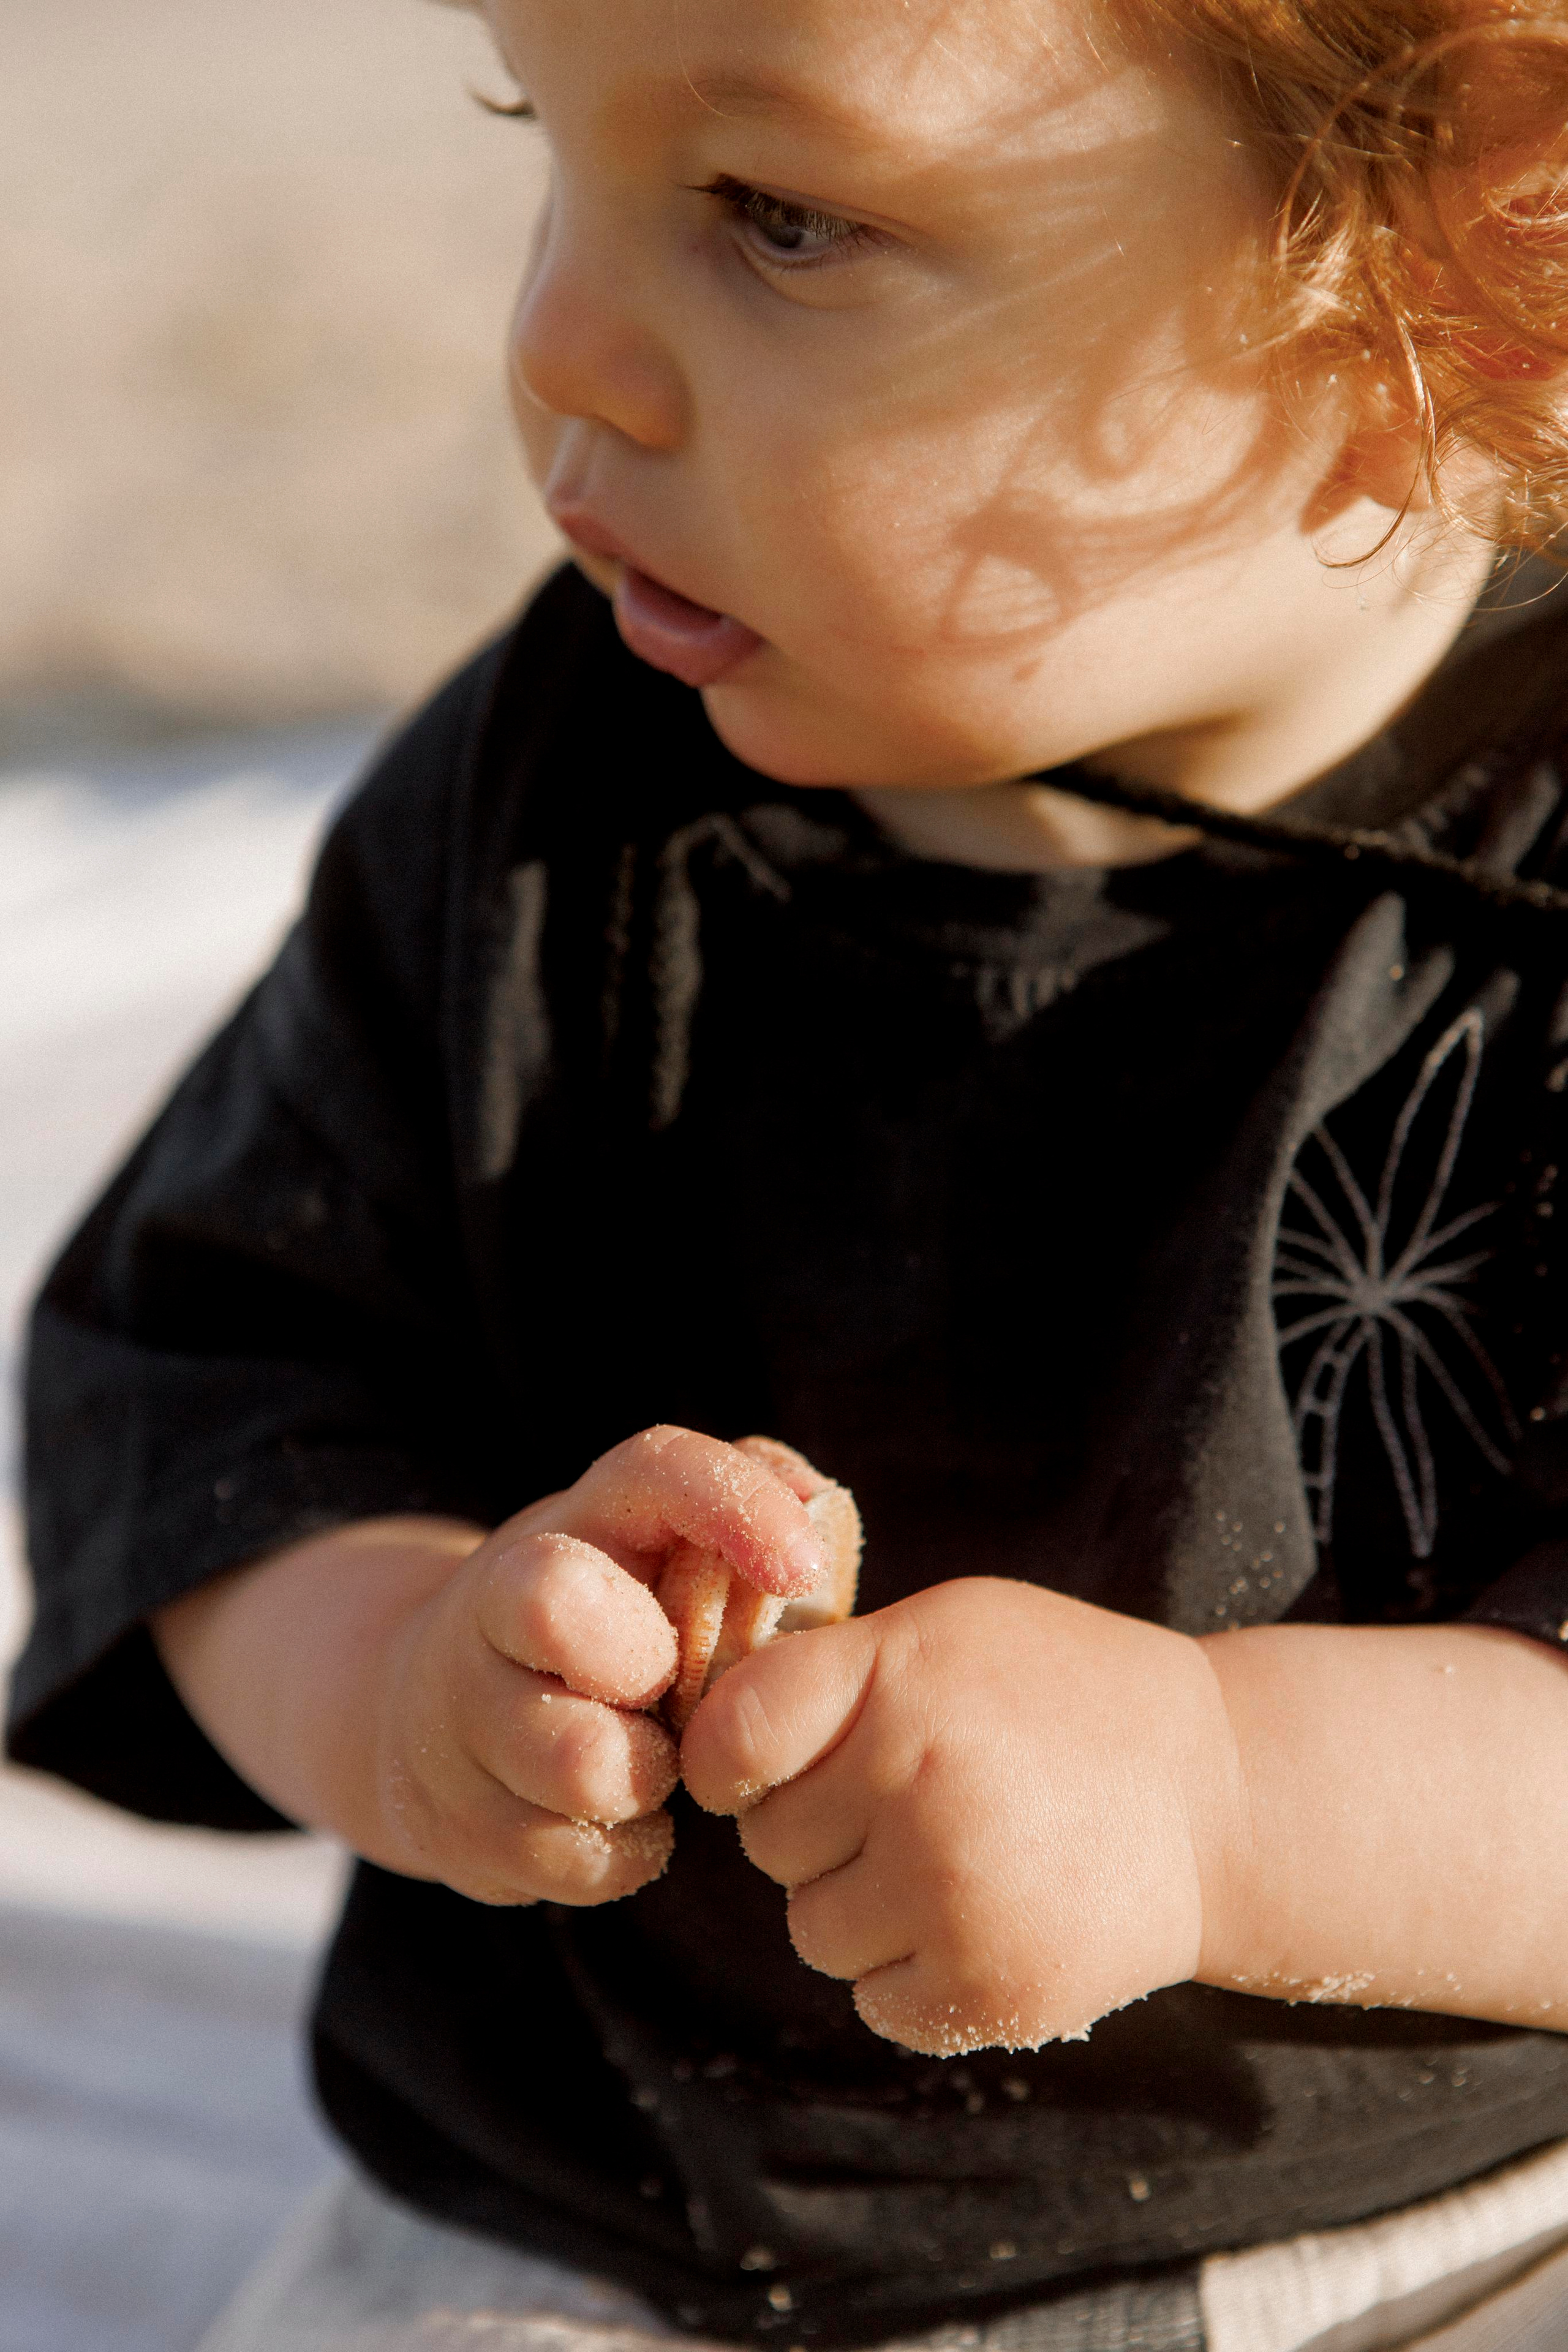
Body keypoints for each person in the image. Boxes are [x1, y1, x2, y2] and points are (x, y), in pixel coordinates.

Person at [13, 1, 1568, 2346]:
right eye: (548, 146)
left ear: (1465, 264)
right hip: (599, 2237)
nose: (563, 350)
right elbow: (211, 1399)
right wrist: (420, 1681)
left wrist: (1227, 1804)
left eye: (786, 217)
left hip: (1449, 2231)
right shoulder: (564, 794)